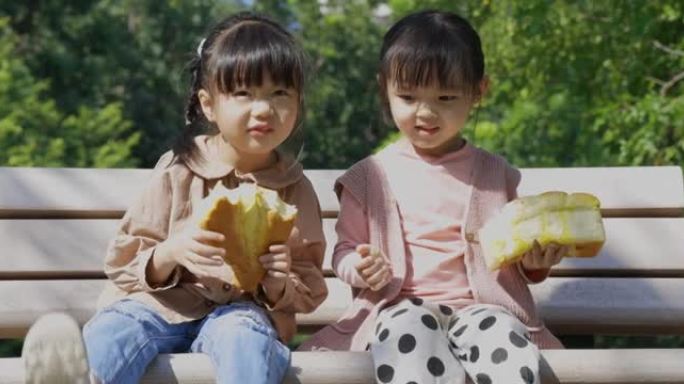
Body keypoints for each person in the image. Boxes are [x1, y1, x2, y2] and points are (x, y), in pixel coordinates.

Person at [21, 12, 327, 384]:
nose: (263, 109)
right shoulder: (179, 168)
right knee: (120, 325)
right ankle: (82, 378)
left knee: (244, 337)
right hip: (162, 305)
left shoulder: (294, 188)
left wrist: (279, 283)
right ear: (209, 104)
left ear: (298, 103)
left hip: (242, 312)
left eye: (280, 93)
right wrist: (171, 252)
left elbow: (309, 287)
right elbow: (124, 260)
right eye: (244, 93)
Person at [299, 9, 567, 384]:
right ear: (385, 88)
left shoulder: (495, 174)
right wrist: (359, 267)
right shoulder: (369, 177)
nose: (425, 112)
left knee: (503, 335)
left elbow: (512, 260)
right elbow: (345, 250)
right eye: (407, 97)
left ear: (478, 92)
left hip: (481, 309)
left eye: (445, 97)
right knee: (408, 330)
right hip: (397, 306)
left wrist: (535, 264)